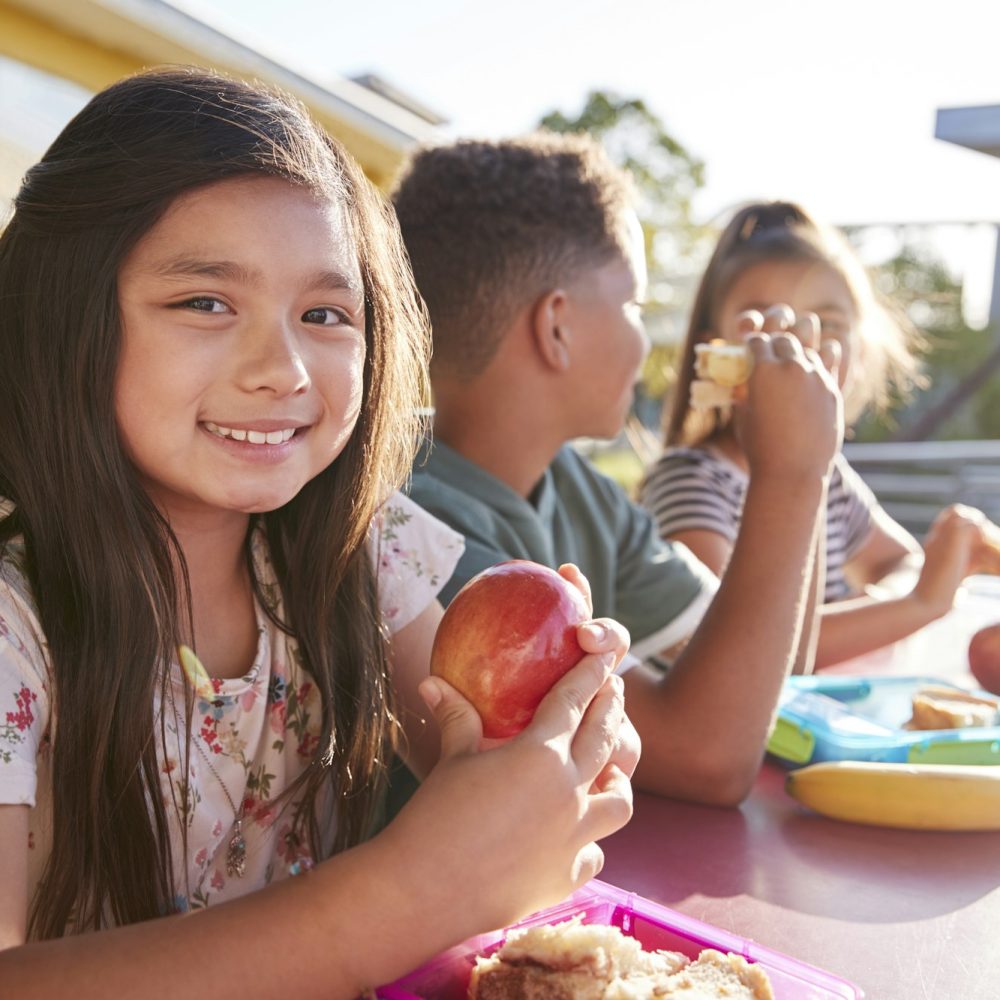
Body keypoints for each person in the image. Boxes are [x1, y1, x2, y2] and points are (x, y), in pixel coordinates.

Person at [0, 69, 638, 997]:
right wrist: (400, 895)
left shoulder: (359, 552)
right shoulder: (15, 633)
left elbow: (480, 763)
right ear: (61, 317)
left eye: (326, 315)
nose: (283, 368)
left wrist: (561, 735)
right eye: (206, 302)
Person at [393, 133, 842, 806]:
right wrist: (791, 473)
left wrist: (804, 456)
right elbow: (708, 756)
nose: (645, 337)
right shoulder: (413, 522)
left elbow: (774, 669)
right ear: (557, 328)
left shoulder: (577, 489)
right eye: (633, 303)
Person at [643, 199, 998, 669]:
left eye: (827, 325)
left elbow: (899, 562)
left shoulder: (829, 476)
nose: (799, 350)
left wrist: (878, 606)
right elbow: (740, 651)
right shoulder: (691, 481)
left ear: (861, 347)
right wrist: (919, 606)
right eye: (767, 327)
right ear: (715, 352)